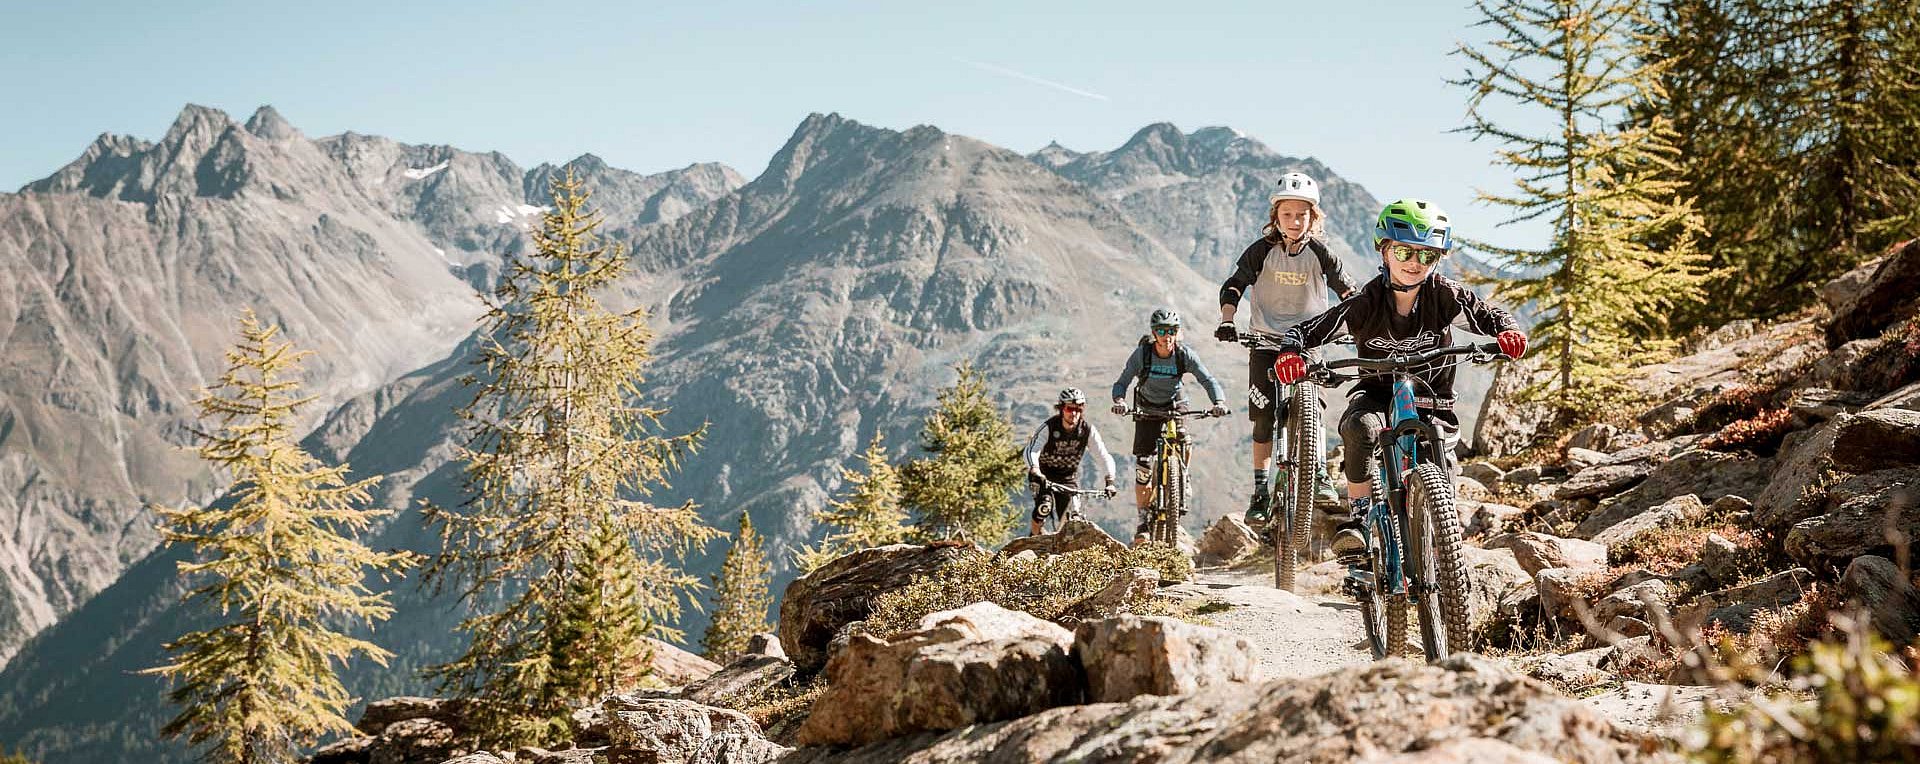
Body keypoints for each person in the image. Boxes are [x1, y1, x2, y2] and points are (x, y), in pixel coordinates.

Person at [1271, 199, 1527, 559]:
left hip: (1432, 401)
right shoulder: (1365, 303)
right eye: (1405, 251)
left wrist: (1508, 331)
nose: (1414, 263)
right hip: (1376, 394)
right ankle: (1360, 518)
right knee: (1358, 428)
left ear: (1437, 260)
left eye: (1426, 256)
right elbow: (1311, 330)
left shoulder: (1446, 296)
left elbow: (1487, 315)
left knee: (1442, 487)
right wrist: (1290, 352)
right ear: (1385, 250)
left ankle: (1446, 560)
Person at [1213, 172, 1358, 526]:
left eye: (1302, 215)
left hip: (1309, 341)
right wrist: (1227, 320)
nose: (1295, 221)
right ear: (1276, 217)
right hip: (1264, 340)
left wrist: (1360, 324)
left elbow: (1349, 292)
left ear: (1314, 217)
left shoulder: (1321, 253)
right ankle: (1261, 490)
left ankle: (1319, 473)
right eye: (1288, 215)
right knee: (1263, 415)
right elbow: (1234, 285)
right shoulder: (1261, 251)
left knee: (1314, 403)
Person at [1111, 309, 1229, 543]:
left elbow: (1207, 379)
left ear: (1178, 333)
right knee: (1143, 466)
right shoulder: (1142, 355)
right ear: (1154, 333)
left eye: (1172, 330)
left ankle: (1181, 478)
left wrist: (1219, 402)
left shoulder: (1184, 355)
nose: (1167, 336)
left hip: (1175, 402)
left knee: (1183, 438)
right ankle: (1143, 519)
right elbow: (1122, 381)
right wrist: (1120, 401)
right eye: (1162, 331)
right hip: (1146, 406)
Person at [1023, 388, 1119, 537]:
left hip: (1067, 478)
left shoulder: (1087, 431)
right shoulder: (1049, 427)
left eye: (1078, 409)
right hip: (1043, 476)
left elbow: (1103, 455)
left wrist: (1110, 480)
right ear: (1061, 408)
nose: (1074, 413)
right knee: (1044, 507)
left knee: (1073, 516)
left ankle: (1063, 546)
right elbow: (1031, 449)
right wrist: (1035, 469)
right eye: (1069, 408)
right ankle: (1034, 539)